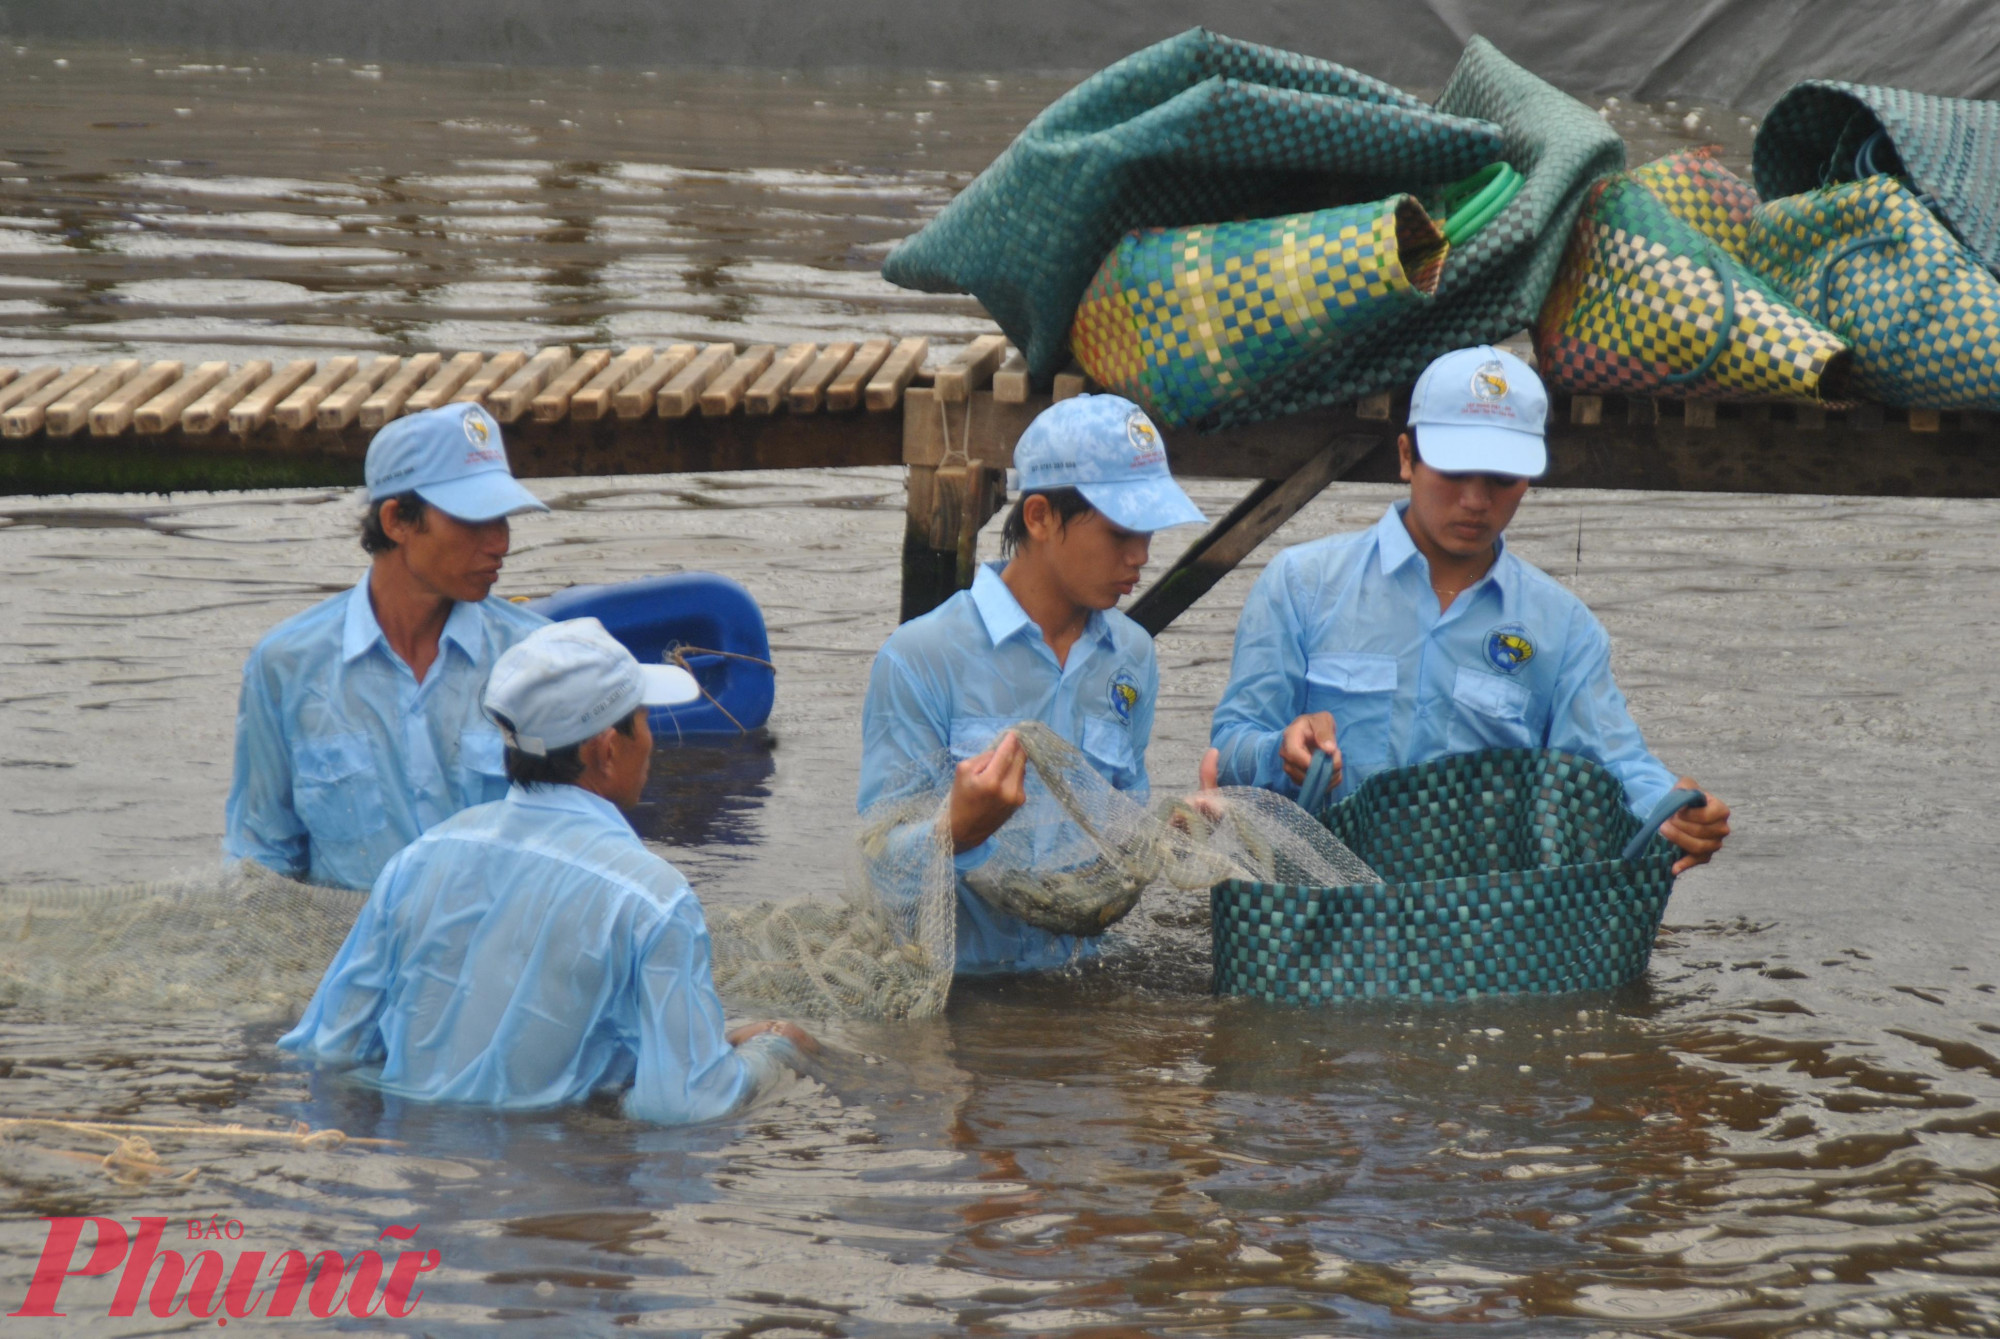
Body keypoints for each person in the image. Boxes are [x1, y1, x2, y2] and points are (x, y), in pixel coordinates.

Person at [1207, 346, 1731, 873]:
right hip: (1317, 901)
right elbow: (1232, 745)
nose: (1477, 500)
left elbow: (1614, 765)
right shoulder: (1301, 584)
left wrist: (1674, 809)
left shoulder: (1564, 628)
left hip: (1477, 924)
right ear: (1408, 457)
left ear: (1528, 480)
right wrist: (1281, 749)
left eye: (1502, 478)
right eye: (1455, 471)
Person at [281, 617, 812, 1124]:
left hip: (424, 1184)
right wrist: (774, 1048)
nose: (654, 740)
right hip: (552, 1173)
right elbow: (685, 1106)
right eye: (645, 720)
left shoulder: (420, 857)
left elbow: (330, 1048)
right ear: (605, 750)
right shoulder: (654, 899)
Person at [859, 393, 1208, 973]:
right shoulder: (919, 656)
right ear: (1040, 517)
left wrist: (1159, 835)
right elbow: (879, 872)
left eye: (1151, 532)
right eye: (1122, 532)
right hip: (958, 989)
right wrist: (955, 831)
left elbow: (1119, 827)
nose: (1142, 556)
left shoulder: (1132, 656)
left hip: (1082, 977)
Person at [224, 402, 551, 890]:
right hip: (350, 958)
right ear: (397, 520)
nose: (500, 542)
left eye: (503, 518)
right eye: (475, 520)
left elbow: (573, 841)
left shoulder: (536, 657)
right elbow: (263, 857)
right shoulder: (285, 666)